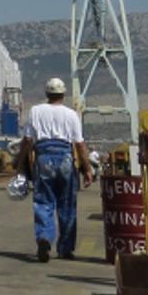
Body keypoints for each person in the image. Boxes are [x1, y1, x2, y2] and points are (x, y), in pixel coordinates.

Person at [17, 77, 92, 262]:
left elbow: (27, 141)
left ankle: (44, 238)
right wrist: (87, 168)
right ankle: (65, 249)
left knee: (44, 202)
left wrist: (20, 162)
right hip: (65, 158)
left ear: (46, 93)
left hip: (43, 158)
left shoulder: (36, 111)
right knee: (67, 205)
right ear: (63, 94)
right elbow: (80, 144)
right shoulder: (71, 114)